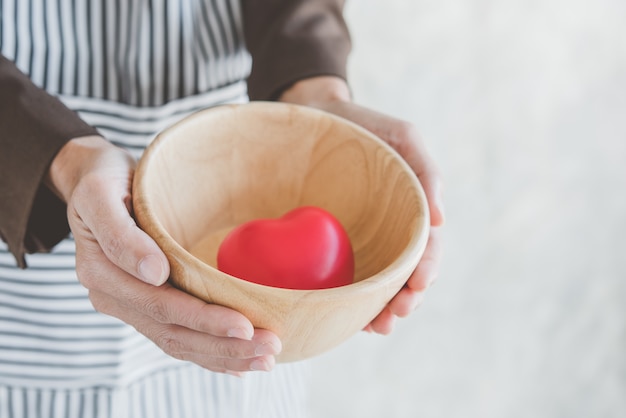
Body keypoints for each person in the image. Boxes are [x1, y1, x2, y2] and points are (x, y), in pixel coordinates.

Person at [0, 0, 444, 416]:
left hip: (238, 201)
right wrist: (55, 154)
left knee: (248, 351)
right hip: (23, 311)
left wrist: (311, 86)